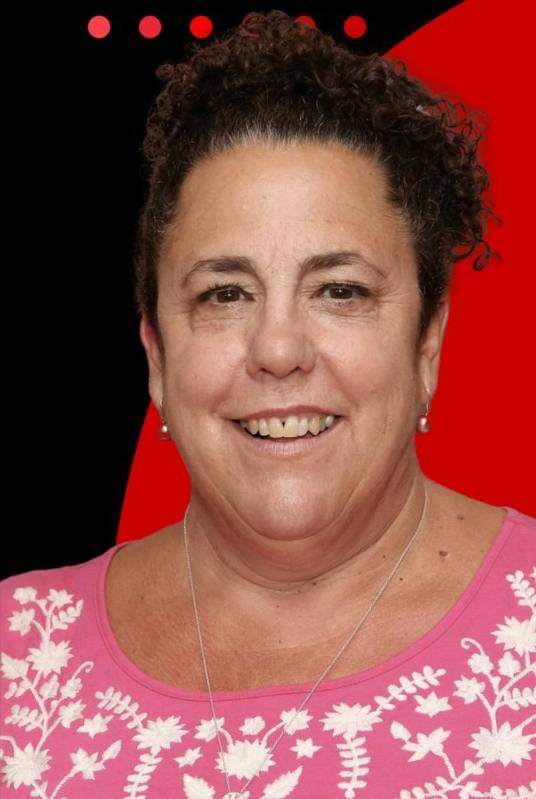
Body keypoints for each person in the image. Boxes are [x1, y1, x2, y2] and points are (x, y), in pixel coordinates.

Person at [1, 10, 534, 798]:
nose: (279, 349)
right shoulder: (15, 653)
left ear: (427, 344)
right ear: (157, 357)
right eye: (225, 293)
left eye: (339, 290)